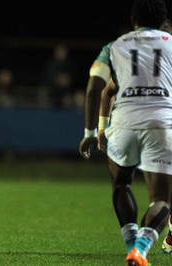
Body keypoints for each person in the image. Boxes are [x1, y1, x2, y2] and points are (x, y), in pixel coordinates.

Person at [79, 0, 172, 265]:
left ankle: (131, 242)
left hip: (123, 124)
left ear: (133, 21)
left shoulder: (115, 46)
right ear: (163, 21)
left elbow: (94, 88)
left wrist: (91, 131)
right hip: (162, 125)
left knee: (122, 184)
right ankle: (141, 248)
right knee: (162, 200)